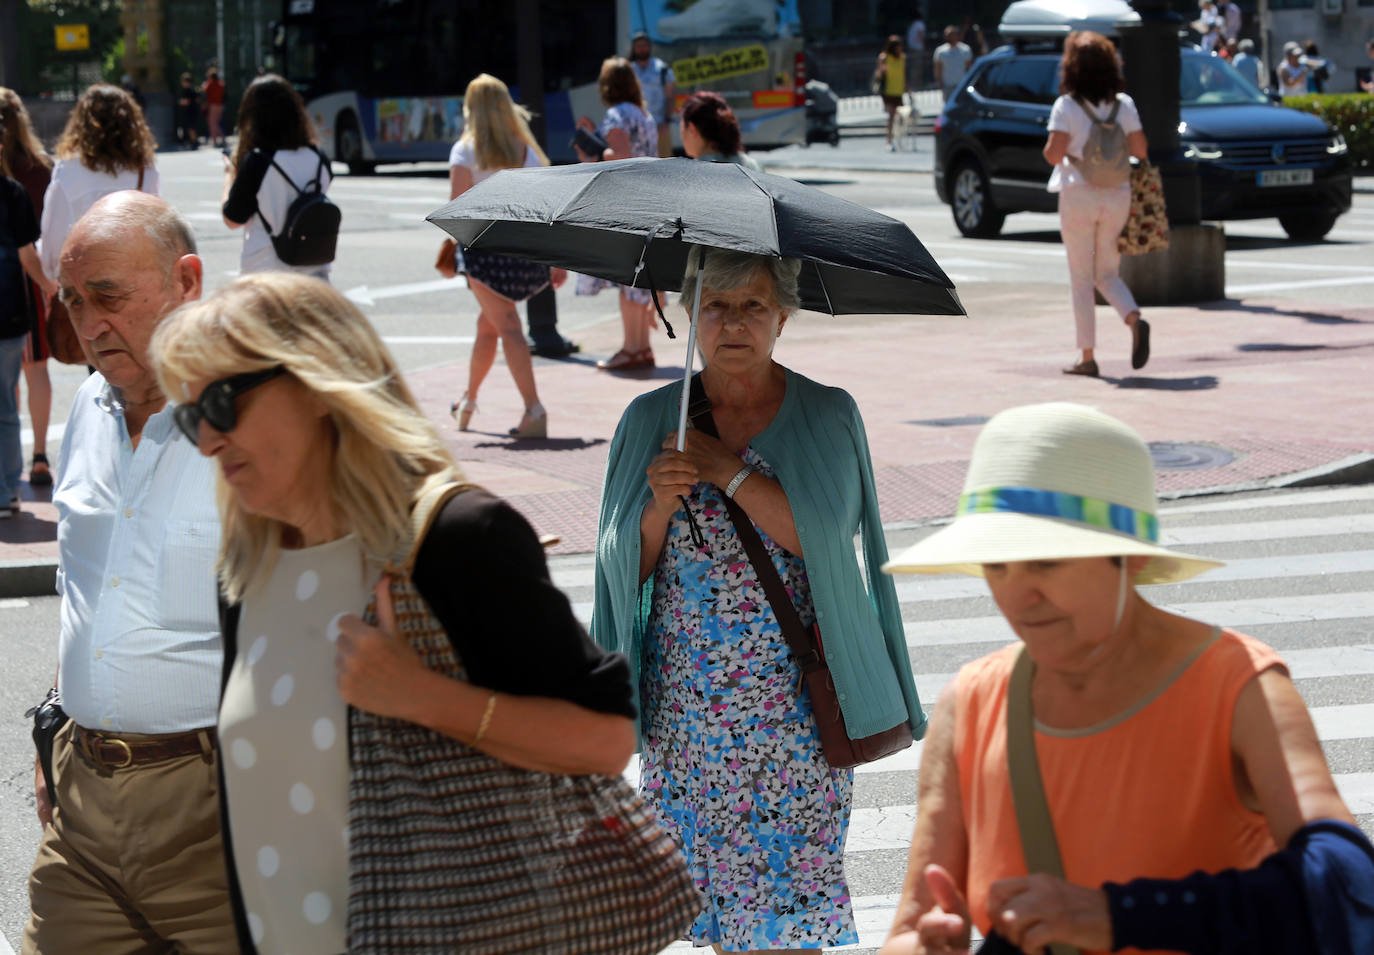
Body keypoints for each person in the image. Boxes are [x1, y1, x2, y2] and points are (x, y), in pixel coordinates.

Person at [150, 271, 638, 953]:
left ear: (319, 381)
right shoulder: (246, 570)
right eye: (191, 415)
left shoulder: (456, 539)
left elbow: (608, 739)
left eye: (224, 403)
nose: (207, 440)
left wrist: (424, 697)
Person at [877, 401, 1374, 955]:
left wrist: (1122, 916)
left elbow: (1347, 877)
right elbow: (910, 926)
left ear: (1131, 560)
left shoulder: (1239, 684)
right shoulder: (970, 700)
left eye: (1045, 561)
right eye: (996, 565)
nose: (1018, 594)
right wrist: (924, 945)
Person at [592, 248, 926, 953]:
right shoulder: (651, 417)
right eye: (715, 305)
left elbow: (829, 538)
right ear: (689, 313)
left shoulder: (827, 414)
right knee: (718, 913)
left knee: (783, 920)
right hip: (689, 720)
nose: (733, 323)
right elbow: (624, 564)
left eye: (752, 306)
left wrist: (727, 472)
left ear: (783, 316)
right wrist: (658, 504)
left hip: (797, 715)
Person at [22, 191, 236, 953]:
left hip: (217, 809)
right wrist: (60, 716)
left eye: (109, 295)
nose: (87, 323)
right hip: (82, 802)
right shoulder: (86, 410)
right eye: (73, 301)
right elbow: (83, 585)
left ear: (187, 280)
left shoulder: (258, 421)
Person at [443, 74, 565, 440]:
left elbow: (456, 210)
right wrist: (555, 260)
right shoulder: (526, 151)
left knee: (507, 325)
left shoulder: (465, 152)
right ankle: (468, 401)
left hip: (483, 253)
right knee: (489, 326)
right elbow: (547, 207)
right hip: (523, 253)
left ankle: (534, 408)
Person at [1042, 30, 1150, 378]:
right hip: (1117, 193)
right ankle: (1133, 317)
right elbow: (1141, 150)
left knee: (1081, 277)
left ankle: (1087, 356)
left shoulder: (1067, 106)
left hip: (1078, 194)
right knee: (1107, 272)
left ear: (1072, 67)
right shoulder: (1125, 104)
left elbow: (1054, 154)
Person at [574, 56, 659, 372]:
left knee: (628, 280)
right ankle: (643, 348)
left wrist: (593, 151)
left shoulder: (617, 115)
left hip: (625, 200)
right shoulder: (643, 114)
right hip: (647, 198)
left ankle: (630, 348)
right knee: (639, 277)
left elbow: (619, 154)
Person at [39, 84, 160, 288]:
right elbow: (156, 232)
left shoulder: (67, 171)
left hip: (83, 285)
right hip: (131, 285)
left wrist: (51, 273)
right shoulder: (145, 171)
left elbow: (53, 242)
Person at [221, 73, 334, 279]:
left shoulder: (259, 162)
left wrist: (230, 175)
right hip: (314, 273)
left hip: (267, 274)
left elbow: (232, 219)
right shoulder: (320, 158)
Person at [0, 88, 56, 489]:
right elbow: (47, 234)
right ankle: (39, 454)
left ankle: (8, 465)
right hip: (31, 280)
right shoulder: (40, 167)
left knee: (6, 382)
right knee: (36, 371)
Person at [680, 91, 761, 170]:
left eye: (682, 129)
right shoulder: (751, 165)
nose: (682, 136)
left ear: (692, 129)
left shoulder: (689, 175)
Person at [630, 31, 677, 158]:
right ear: (634, 49)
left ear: (650, 47)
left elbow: (670, 97)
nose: (641, 49)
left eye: (644, 45)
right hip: (636, 128)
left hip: (659, 125)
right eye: (638, 46)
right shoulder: (629, 70)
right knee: (638, 167)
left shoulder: (661, 68)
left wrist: (666, 120)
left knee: (664, 165)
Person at [876, 35, 909, 152]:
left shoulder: (902, 57)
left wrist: (907, 89)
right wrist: (881, 70)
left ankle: (898, 139)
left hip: (898, 90)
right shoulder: (884, 57)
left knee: (899, 117)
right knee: (891, 116)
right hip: (888, 91)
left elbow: (903, 74)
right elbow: (879, 74)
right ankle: (889, 140)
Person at [933, 26, 973, 102]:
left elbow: (970, 68)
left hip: (961, 86)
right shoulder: (940, 51)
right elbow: (938, 70)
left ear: (956, 35)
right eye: (946, 35)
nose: (948, 37)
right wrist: (941, 84)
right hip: (947, 87)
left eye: (950, 35)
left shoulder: (965, 49)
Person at [202, 67, 227, 148]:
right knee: (217, 123)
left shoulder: (210, 84)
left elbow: (204, 90)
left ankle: (215, 141)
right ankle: (223, 139)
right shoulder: (221, 84)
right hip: (220, 105)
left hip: (213, 105)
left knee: (212, 124)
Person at [177, 72, 201, 148]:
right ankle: (195, 141)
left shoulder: (187, 90)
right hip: (194, 110)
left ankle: (194, 142)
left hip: (189, 111)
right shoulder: (194, 89)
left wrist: (180, 102)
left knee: (191, 128)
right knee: (193, 127)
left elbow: (187, 101)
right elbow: (198, 100)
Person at [906, 11, 926, 87]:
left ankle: (915, 83)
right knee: (917, 66)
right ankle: (917, 84)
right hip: (918, 48)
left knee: (913, 66)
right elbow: (921, 36)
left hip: (911, 47)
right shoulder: (920, 24)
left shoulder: (912, 24)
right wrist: (924, 46)